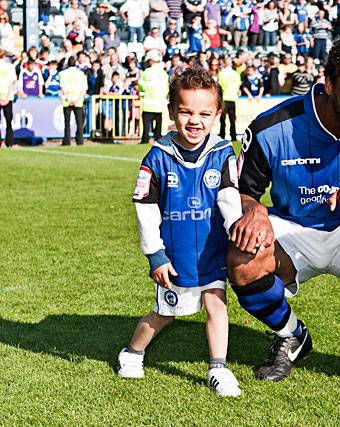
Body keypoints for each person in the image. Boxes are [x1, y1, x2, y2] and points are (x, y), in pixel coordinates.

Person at [226, 35, 340, 382]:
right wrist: (253, 211)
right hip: (293, 230)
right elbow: (240, 190)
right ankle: (290, 334)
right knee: (242, 257)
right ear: (327, 83)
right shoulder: (273, 127)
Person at [117, 66, 243, 397]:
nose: (194, 120)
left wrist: (238, 232)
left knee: (217, 303)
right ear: (172, 111)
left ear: (218, 113)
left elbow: (229, 198)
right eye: (186, 111)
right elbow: (145, 208)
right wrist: (156, 255)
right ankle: (132, 352)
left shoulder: (221, 152)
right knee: (165, 313)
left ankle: (219, 367)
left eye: (204, 113)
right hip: (176, 256)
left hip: (212, 251)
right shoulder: (157, 157)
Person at [138, 50, 169, 144]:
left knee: (146, 124)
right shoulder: (163, 73)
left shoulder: (146, 72)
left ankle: (145, 139)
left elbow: (141, 85)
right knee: (158, 124)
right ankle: (158, 139)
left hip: (148, 104)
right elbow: (167, 87)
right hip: (160, 104)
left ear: (151, 61)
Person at [59, 56, 88, 146]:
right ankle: (80, 141)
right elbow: (84, 89)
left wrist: (68, 99)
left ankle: (67, 141)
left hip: (67, 100)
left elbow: (62, 87)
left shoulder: (63, 73)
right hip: (78, 99)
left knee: (67, 122)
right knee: (79, 122)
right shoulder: (81, 74)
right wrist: (78, 99)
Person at [217, 56, 241, 140]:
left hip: (224, 98)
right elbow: (238, 87)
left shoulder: (221, 73)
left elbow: (219, 86)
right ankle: (233, 136)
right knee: (232, 119)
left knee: (223, 119)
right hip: (232, 98)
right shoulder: (235, 74)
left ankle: (222, 135)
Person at [0, 49, 16, 148]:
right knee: (9, 121)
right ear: (4, 57)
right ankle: (9, 142)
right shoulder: (10, 67)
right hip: (7, 96)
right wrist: (6, 98)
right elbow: (11, 84)